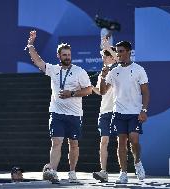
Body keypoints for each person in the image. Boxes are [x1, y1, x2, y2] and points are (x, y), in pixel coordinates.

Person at [27, 30, 92, 183]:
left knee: (74, 145)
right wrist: (30, 45)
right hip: (56, 113)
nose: (67, 57)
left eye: (69, 55)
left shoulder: (79, 71)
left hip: (75, 115)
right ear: (59, 56)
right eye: (64, 55)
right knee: (56, 142)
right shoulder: (53, 70)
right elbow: (38, 61)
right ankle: (53, 172)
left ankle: (72, 171)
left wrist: (73, 93)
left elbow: (89, 90)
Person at [99, 41, 150, 183]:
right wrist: (103, 76)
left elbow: (145, 92)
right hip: (118, 112)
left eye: (121, 51)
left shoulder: (139, 69)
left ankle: (137, 162)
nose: (118, 54)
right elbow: (103, 91)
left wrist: (144, 110)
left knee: (134, 140)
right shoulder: (113, 71)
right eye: (118, 51)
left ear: (128, 52)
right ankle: (124, 173)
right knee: (121, 142)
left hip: (134, 112)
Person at [92, 39, 118, 182]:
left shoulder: (119, 69)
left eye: (104, 55)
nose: (103, 58)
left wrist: (108, 47)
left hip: (118, 111)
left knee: (122, 141)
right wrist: (89, 88)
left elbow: (119, 60)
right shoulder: (103, 72)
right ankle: (103, 171)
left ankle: (124, 171)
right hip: (105, 112)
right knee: (104, 141)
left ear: (111, 57)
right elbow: (101, 92)